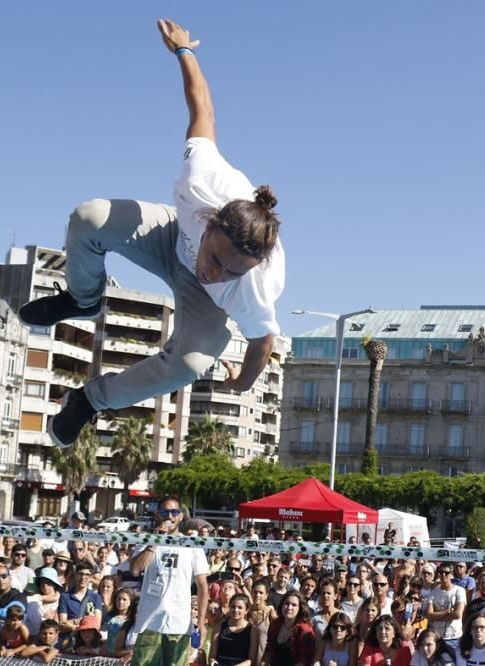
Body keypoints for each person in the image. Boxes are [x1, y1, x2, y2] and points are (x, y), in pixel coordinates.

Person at [18, 17, 285, 450]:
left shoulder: (252, 289)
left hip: (206, 306)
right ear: (210, 221)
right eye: (217, 260)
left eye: (232, 272)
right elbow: (203, 109)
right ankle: (82, 300)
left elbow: (262, 345)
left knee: (192, 362)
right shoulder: (202, 182)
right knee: (90, 217)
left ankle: (87, 402)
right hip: (169, 236)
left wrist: (242, 386)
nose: (218, 273)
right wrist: (184, 51)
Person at [128, 496, 210, 665]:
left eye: (174, 512)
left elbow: (202, 586)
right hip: (149, 622)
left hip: (179, 623)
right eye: (165, 511)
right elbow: (135, 570)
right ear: (158, 515)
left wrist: (200, 622)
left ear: (180, 516)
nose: (169, 516)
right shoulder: (147, 540)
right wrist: (154, 542)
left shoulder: (192, 545)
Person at [263, 590, 317, 666]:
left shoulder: (305, 630)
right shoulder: (275, 625)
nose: (289, 607)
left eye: (294, 605)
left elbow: (304, 661)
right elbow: (268, 651)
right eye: (286, 604)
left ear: (300, 608)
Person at [427, 565, 467, 650]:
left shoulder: (460, 590)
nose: (443, 575)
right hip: (437, 637)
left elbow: (457, 614)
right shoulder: (433, 593)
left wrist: (436, 616)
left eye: (446, 572)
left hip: (454, 637)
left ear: (451, 574)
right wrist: (447, 611)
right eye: (441, 572)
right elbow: (429, 615)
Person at [211, 593, 257, 666]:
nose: (236, 610)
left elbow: (251, 660)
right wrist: (213, 662)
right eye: (233, 607)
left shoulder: (252, 630)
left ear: (246, 610)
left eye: (240, 607)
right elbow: (212, 656)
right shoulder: (219, 627)